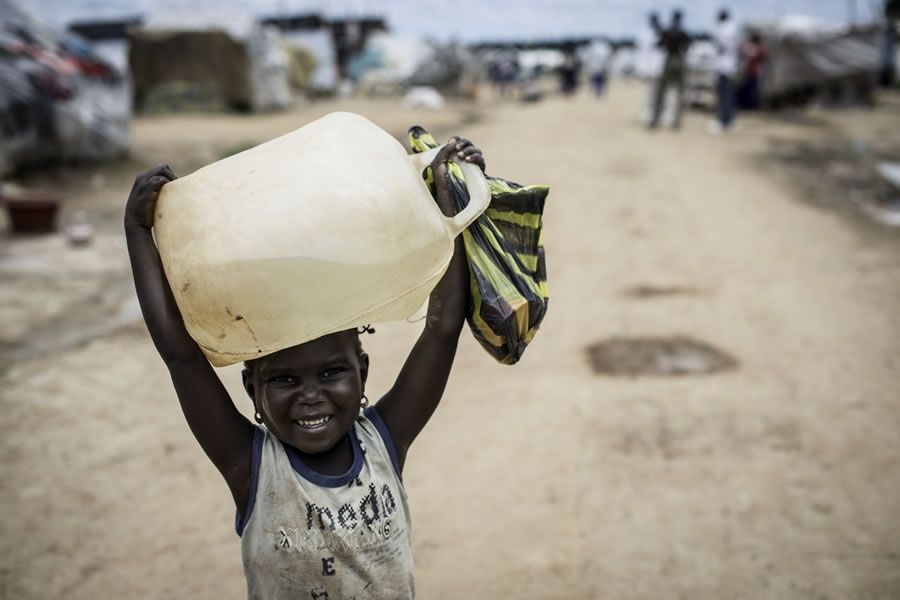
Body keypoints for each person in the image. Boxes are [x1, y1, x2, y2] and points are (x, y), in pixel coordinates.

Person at [124, 137, 486, 599]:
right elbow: (181, 358)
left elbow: (441, 328)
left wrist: (446, 196)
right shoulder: (252, 468)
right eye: (283, 380)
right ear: (251, 388)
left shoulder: (385, 441)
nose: (310, 395)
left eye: (333, 373)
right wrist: (137, 230)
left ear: (363, 373)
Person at [649, 9, 691, 130]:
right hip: (680, 59)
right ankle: (676, 122)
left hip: (669, 60)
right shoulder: (683, 32)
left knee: (661, 92)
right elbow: (688, 46)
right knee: (680, 93)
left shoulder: (668, 31)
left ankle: (655, 120)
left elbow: (659, 44)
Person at [709, 8, 740, 134]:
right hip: (730, 66)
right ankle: (729, 120)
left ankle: (723, 121)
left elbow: (720, 46)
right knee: (728, 95)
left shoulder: (723, 29)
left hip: (723, 66)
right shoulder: (733, 28)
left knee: (723, 95)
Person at [635, 12, 665, 124]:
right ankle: (648, 115)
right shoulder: (645, 33)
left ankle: (658, 114)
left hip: (659, 69)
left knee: (659, 94)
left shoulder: (662, 33)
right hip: (649, 69)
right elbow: (642, 52)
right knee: (648, 94)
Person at [738, 32, 767, 110]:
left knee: (752, 90)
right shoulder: (753, 47)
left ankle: (751, 105)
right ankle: (747, 105)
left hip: (753, 71)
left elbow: (757, 56)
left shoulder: (758, 48)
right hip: (749, 71)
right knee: (748, 89)